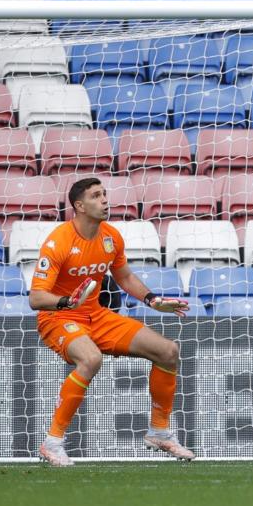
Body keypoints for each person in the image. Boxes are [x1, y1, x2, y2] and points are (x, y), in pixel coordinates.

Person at [32, 178, 193, 466]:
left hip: (96, 316)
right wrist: (68, 302)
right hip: (58, 317)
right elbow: (36, 298)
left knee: (168, 351)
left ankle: (159, 432)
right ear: (79, 206)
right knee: (91, 359)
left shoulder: (111, 237)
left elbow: (125, 278)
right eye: (96, 196)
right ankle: (52, 442)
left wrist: (154, 301)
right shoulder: (58, 242)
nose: (105, 200)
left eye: (105, 194)